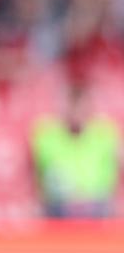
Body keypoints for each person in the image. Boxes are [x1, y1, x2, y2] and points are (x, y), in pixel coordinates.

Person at [31, 86, 120, 219]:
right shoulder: (46, 135)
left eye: (81, 107)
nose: (76, 113)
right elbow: (38, 173)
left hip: (97, 205)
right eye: (73, 107)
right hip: (59, 206)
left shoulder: (105, 134)